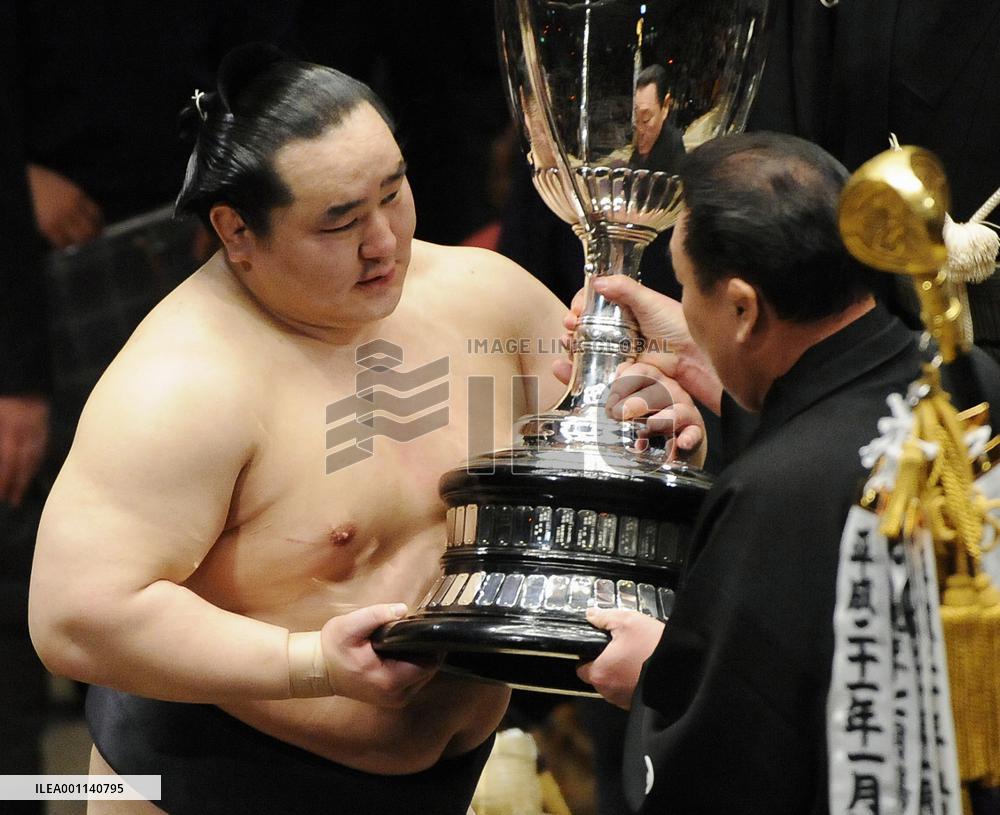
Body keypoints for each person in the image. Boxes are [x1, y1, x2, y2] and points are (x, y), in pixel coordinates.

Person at [28, 46, 575, 815]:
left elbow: (604, 447)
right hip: (209, 785)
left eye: (394, 192)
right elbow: (73, 617)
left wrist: (656, 413)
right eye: (340, 221)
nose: (384, 240)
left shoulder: (486, 296)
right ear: (237, 230)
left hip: (449, 776)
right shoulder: (181, 384)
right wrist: (308, 661)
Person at [567, 131, 1000, 813]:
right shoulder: (973, 381)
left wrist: (656, 678)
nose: (683, 306)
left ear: (742, 306)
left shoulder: (773, 494)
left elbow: (727, 765)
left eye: (684, 285)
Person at [629, 64, 686, 174]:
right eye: (637, 117)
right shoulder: (640, 145)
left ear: (665, 106)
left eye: (646, 119)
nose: (640, 129)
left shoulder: (673, 145)